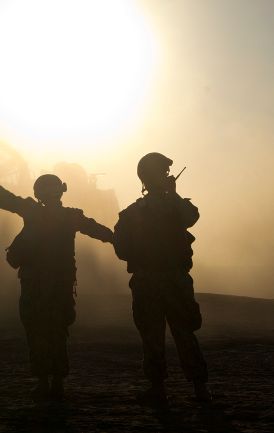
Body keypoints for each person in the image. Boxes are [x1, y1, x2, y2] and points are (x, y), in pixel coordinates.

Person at [0, 167, 113, 401]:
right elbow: (99, 231)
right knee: (58, 330)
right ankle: (58, 381)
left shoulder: (32, 210)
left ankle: (42, 381)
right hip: (61, 283)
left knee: (36, 329)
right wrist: (123, 241)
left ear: (39, 194)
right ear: (60, 193)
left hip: (34, 283)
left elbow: (4, 198)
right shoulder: (71, 216)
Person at [112, 153, 211, 403]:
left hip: (150, 280)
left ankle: (160, 389)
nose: (168, 176)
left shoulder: (134, 212)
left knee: (155, 335)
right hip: (170, 279)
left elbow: (121, 248)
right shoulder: (172, 208)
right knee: (179, 333)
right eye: (163, 172)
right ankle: (199, 390)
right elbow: (192, 217)